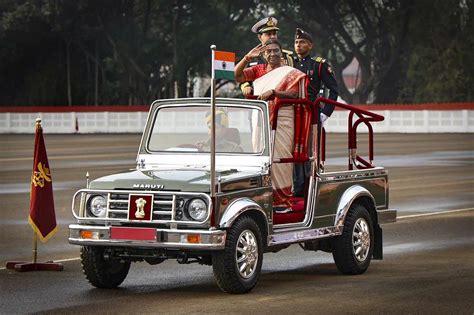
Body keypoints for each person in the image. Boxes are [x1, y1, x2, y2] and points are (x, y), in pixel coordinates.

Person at [235, 39, 306, 212]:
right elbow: (237, 76)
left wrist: (274, 93)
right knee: (261, 159)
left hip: (283, 119)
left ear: (281, 52)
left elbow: (294, 94)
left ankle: (283, 202)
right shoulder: (258, 70)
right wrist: (246, 58)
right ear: (263, 54)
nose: (272, 54)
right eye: (268, 51)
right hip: (261, 120)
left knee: (280, 160)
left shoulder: (290, 72)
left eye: (275, 50)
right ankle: (265, 199)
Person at [292, 28, 339, 197]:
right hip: (292, 114)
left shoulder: (318, 65)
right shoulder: (291, 64)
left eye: (302, 42)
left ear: (310, 45)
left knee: (311, 153)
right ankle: (296, 189)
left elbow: (333, 90)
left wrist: (325, 113)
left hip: (311, 114)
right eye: (296, 42)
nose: (298, 45)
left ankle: (310, 188)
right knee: (293, 152)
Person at [240, 17, 294, 97]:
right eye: (268, 34)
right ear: (260, 37)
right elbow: (241, 77)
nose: (273, 36)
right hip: (259, 100)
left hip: (280, 99)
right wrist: (246, 86)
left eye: (274, 33)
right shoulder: (251, 56)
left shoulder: (286, 56)